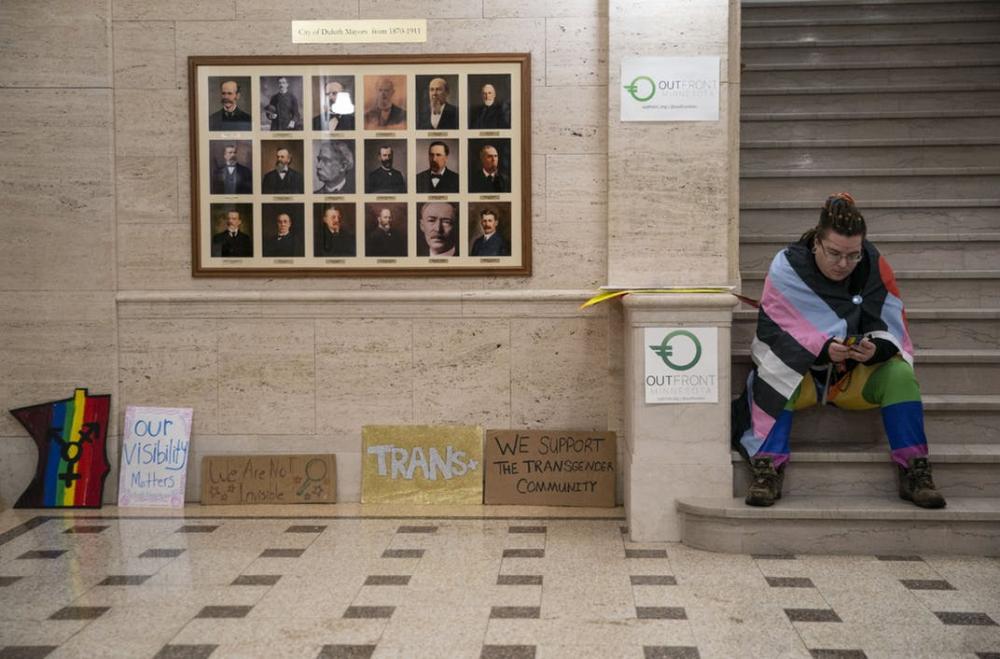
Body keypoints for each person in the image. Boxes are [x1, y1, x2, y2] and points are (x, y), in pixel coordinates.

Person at [731, 193, 946, 509]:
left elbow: (890, 322)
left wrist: (876, 349)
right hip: (803, 379)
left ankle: (914, 469)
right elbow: (772, 332)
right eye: (834, 253)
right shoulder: (788, 265)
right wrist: (820, 349)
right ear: (816, 242)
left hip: (852, 378)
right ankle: (768, 467)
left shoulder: (872, 264)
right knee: (773, 370)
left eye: (852, 255)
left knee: (899, 373)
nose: (843, 264)